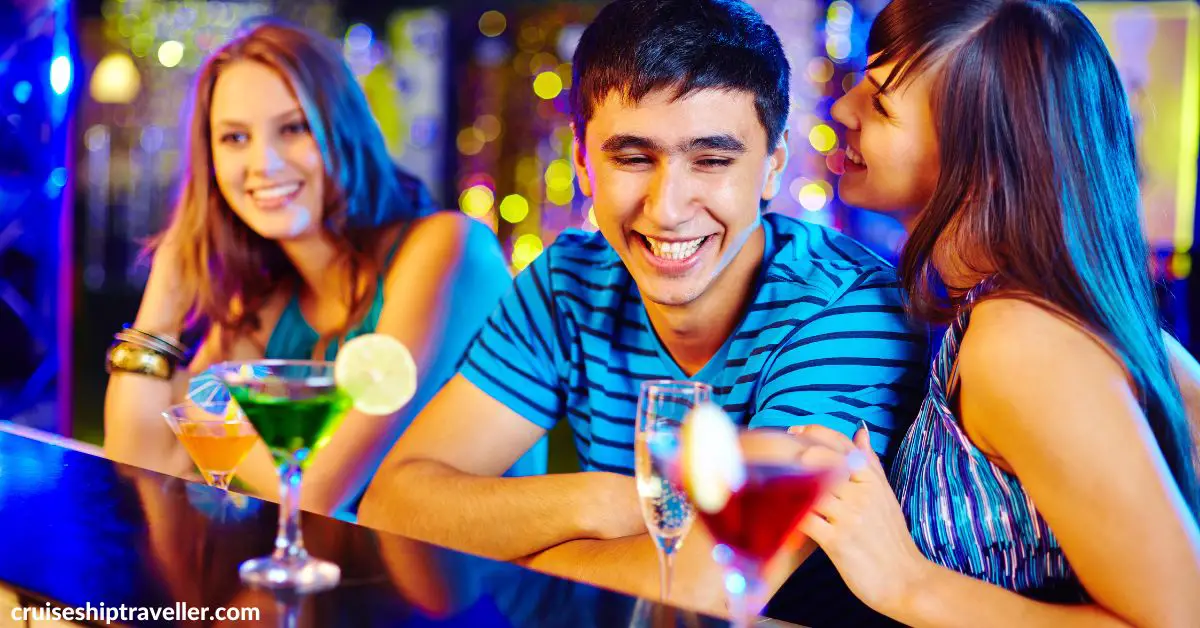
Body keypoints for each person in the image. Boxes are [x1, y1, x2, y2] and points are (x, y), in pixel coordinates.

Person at [359, 0, 928, 614]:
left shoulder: (843, 307)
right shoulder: (567, 280)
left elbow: (710, 582)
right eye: (633, 158)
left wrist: (510, 554)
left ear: (774, 164)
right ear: (582, 161)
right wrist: (609, 502)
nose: (668, 207)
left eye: (712, 160)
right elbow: (393, 504)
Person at [792, 0, 1200, 624]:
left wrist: (907, 582)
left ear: (979, 157)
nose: (841, 110)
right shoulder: (1008, 314)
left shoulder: (1020, 342)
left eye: (878, 104)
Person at [103, 21, 518, 517]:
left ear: (343, 128)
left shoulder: (447, 249)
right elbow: (141, 465)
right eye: (235, 137)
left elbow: (318, 493)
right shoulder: (269, 300)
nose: (264, 163)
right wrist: (167, 286)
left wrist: (195, 405)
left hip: (470, 585)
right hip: (333, 587)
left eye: (294, 128)